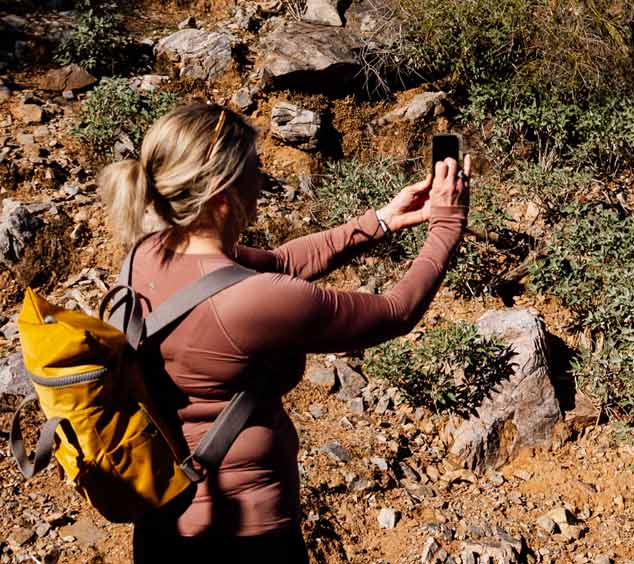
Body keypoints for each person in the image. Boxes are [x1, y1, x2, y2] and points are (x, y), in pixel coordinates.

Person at [96, 103, 468, 563]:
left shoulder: (147, 253)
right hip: (246, 537)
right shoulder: (252, 301)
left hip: (160, 523)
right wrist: (447, 226)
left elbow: (281, 262)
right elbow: (396, 312)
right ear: (221, 190)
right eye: (256, 167)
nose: (263, 179)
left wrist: (383, 221)